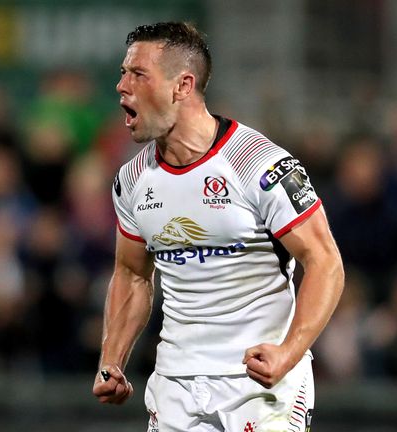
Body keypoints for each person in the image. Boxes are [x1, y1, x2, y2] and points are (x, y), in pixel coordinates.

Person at [92, 22, 344, 431]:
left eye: (137, 74)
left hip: (260, 384)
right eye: (123, 73)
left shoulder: (261, 165)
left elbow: (325, 263)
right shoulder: (132, 181)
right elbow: (132, 274)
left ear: (182, 85)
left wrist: (289, 352)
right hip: (175, 383)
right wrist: (111, 359)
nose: (122, 86)